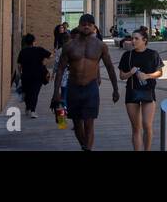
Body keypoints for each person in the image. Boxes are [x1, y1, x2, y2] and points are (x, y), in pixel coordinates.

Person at [50, 13, 119, 151]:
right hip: (73, 87)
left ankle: (88, 148)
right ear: (79, 26)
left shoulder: (100, 46)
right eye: (84, 24)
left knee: (89, 123)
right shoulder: (69, 46)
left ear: (94, 27)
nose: (86, 26)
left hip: (91, 88)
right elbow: (61, 69)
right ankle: (84, 146)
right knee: (77, 123)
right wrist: (55, 92)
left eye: (90, 24)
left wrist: (115, 89)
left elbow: (110, 67)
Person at [119, 28, 164, 151]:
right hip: (132, 92)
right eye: (132, 38)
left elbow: (160, 72)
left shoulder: (153, 54)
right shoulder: (127, 55)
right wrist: (130, 73)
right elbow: (122, 76)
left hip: (148, 91)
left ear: (144, 40)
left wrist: (147, 76)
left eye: (136, 38)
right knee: (136, 127)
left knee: (147, 125)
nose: (133, 41)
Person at [16, 33, 51, 118]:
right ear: (34, 41)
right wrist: (44, 62)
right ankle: (32, 111)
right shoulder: (39, 50)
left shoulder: (23, 51)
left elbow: (19, 65)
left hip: (26, 75)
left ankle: (28, 108)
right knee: (34, 93)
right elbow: (50, 55)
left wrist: (20, 74)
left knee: (27, 92)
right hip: (38, 75)